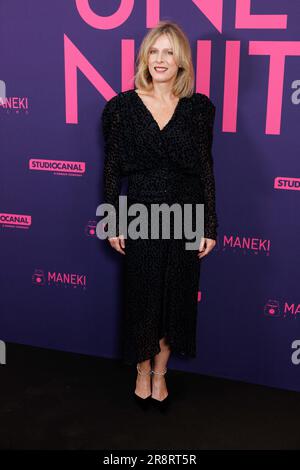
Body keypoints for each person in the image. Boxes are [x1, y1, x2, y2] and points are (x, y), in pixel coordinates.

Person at [101, 20, 218, 409]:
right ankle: (141, 369)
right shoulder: (121, 108)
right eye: (154, 51)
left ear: (181, 60)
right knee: (143, 299)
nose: (161, 59)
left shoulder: (198, 108)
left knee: (176, 300)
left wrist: (209, 225)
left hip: (185, 214)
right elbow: (112, 167)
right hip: (141, 213)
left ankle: (161, 371)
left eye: (169, 51)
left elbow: (205, 169)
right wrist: (112, 220)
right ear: (144, 58)